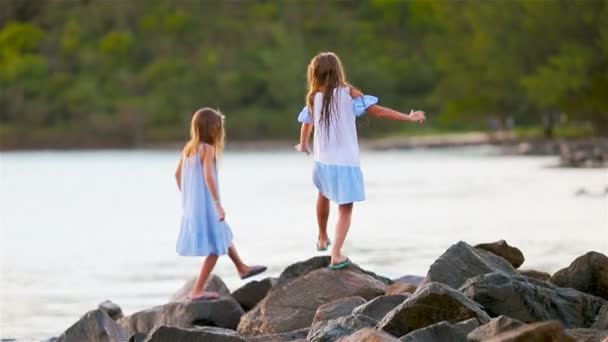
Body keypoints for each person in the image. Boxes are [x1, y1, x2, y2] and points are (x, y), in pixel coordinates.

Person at [295, 52, 426, 269]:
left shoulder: (314, 96)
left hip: (323, 160)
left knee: (323, 193)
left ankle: (321, 236)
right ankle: (336, 253)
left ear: (315, 73)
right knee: (345, 209)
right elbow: (379, 112)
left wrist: (304, 145)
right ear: (338, 71)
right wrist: (408, 117)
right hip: (346, 161)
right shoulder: (349, 93)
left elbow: (306, 123)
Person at [175, 108, 266, 300]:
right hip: (207, 206)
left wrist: (190, 197)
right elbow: (209, 176)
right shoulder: (207, 148)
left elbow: (177, 175)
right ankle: (197, 290)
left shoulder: (189, 148)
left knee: (223, 233)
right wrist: (217, 204)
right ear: (212, 128)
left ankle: (241, 267)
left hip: (195, 207)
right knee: (215, 249)